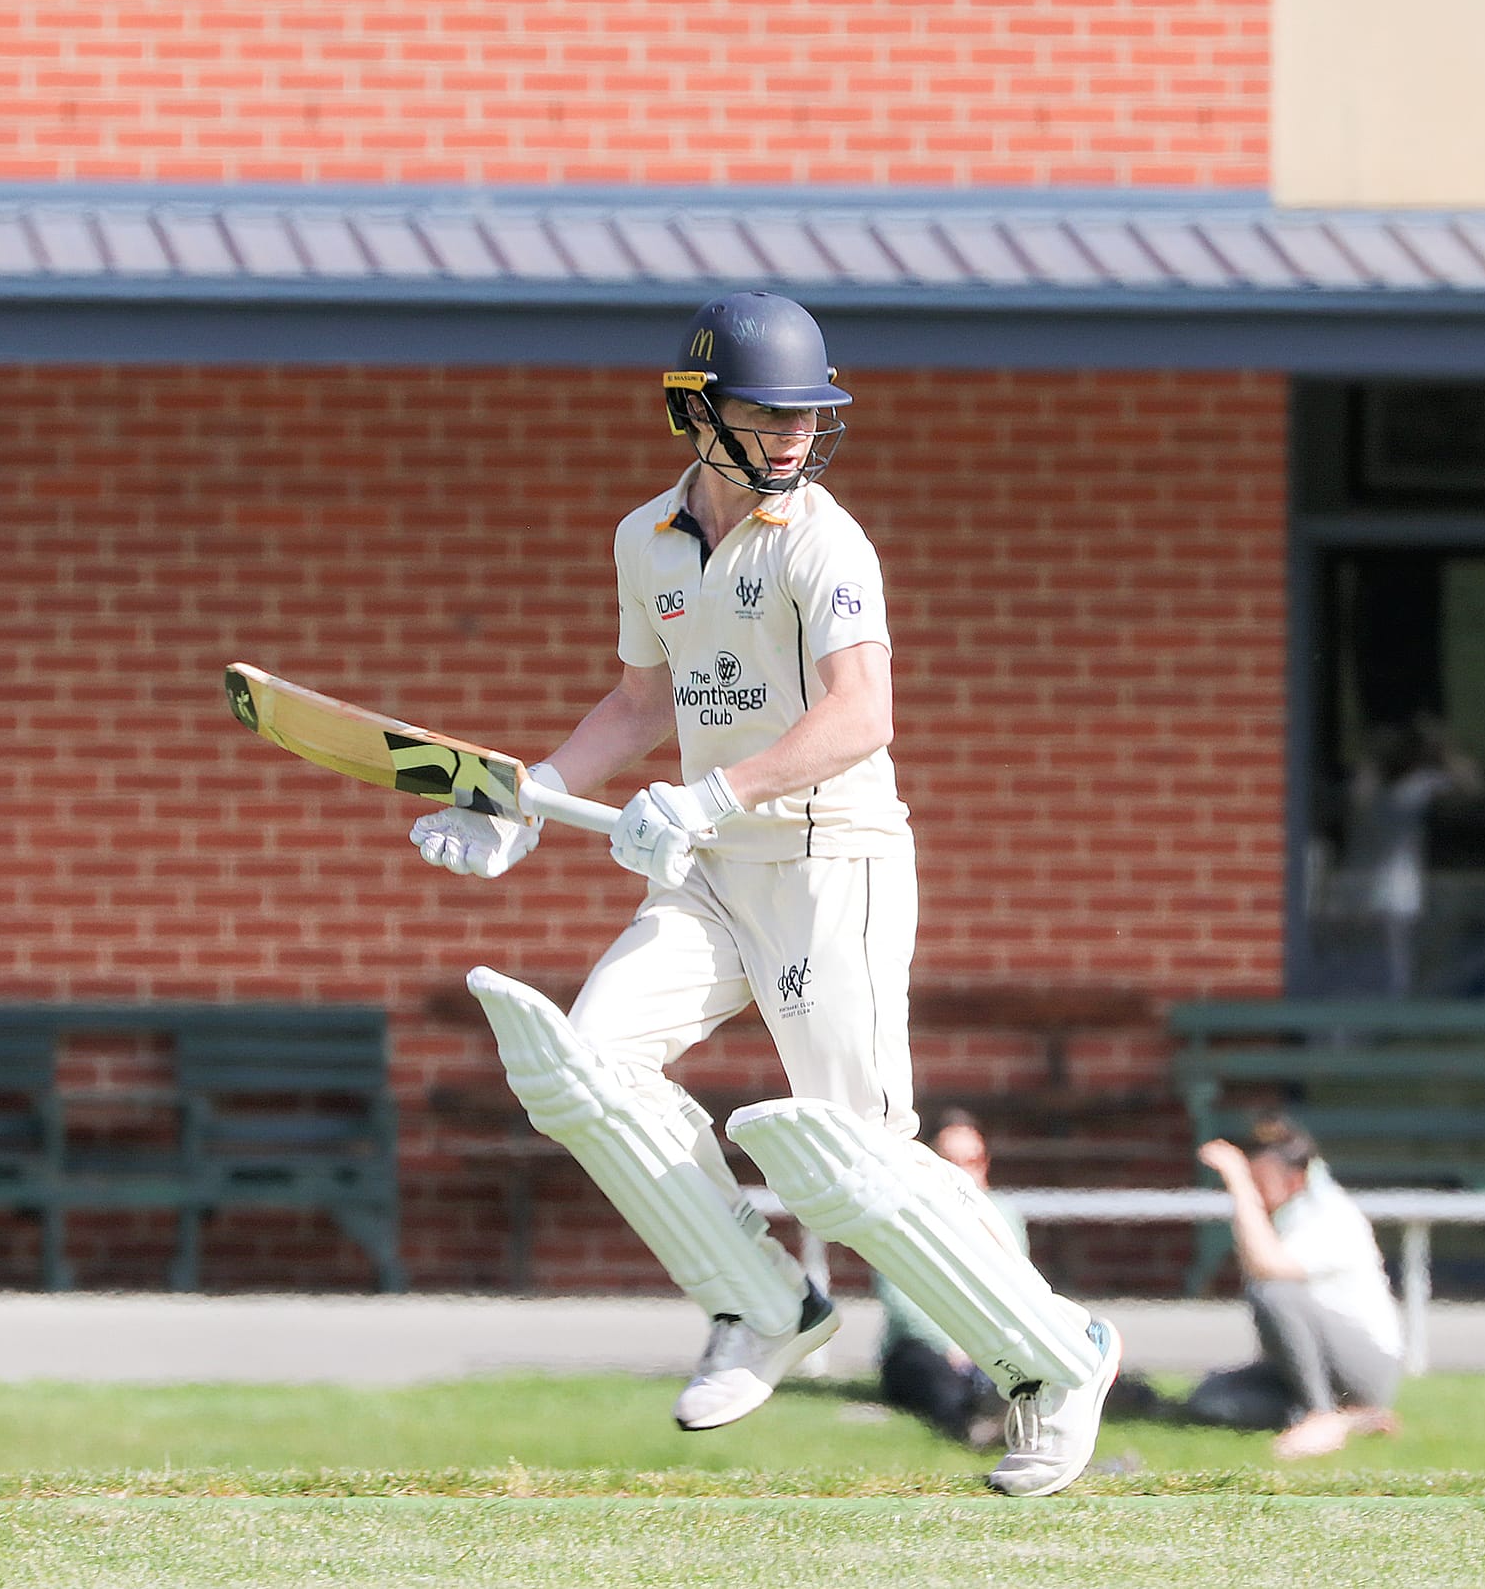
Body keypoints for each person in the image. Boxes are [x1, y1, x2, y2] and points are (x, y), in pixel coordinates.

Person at [408, 292, 1120, 1497]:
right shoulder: (647, 537)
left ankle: (1056, 1356)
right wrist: (524, 800)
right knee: (585, 1068)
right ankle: (759, 1300)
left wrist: (708, 793)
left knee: (849, 1163)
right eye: (762, 411)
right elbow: (639, 703)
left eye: (805, 413)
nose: (789, 436)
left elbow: (862, 715)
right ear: (696, 412)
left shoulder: (822, 541)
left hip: (824, 859)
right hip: (713, 874)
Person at [1175, 1118, 1404, 1459]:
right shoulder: (1286, 1215)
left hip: (1365, 1367)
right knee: (1210, 1400)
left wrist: (1239, 1184)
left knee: (1272, 1291)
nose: (1254, 1189)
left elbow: (1268, 1269)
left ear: (1295, 1180)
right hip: (1316, 1369)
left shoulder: (1330, 1214)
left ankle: (1321, 1416)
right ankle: (1355, 1419)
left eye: (1259, 1180)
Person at [875, 1110, 1027, 1447]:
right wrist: (953, 1345)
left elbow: (1018, 1290)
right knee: (931, 1374)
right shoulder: (902, 1215)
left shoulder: (1004, 1217)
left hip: (989, 1344)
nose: (963, 1171)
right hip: (927, 1347)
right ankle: (975, 1429)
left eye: (972, 1160)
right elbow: (901, 1301)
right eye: (951, 1160)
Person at [1334, 715, 1485, 997]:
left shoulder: (1420, 784)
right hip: (1362, 889)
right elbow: (1359, 801)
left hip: (1402, 890)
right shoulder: (1371, 782)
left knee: (1401, 965)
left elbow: (1473, 787)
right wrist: (1376, 759)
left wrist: (1443, 749)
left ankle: (1398, 1012)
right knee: (1359, 963)